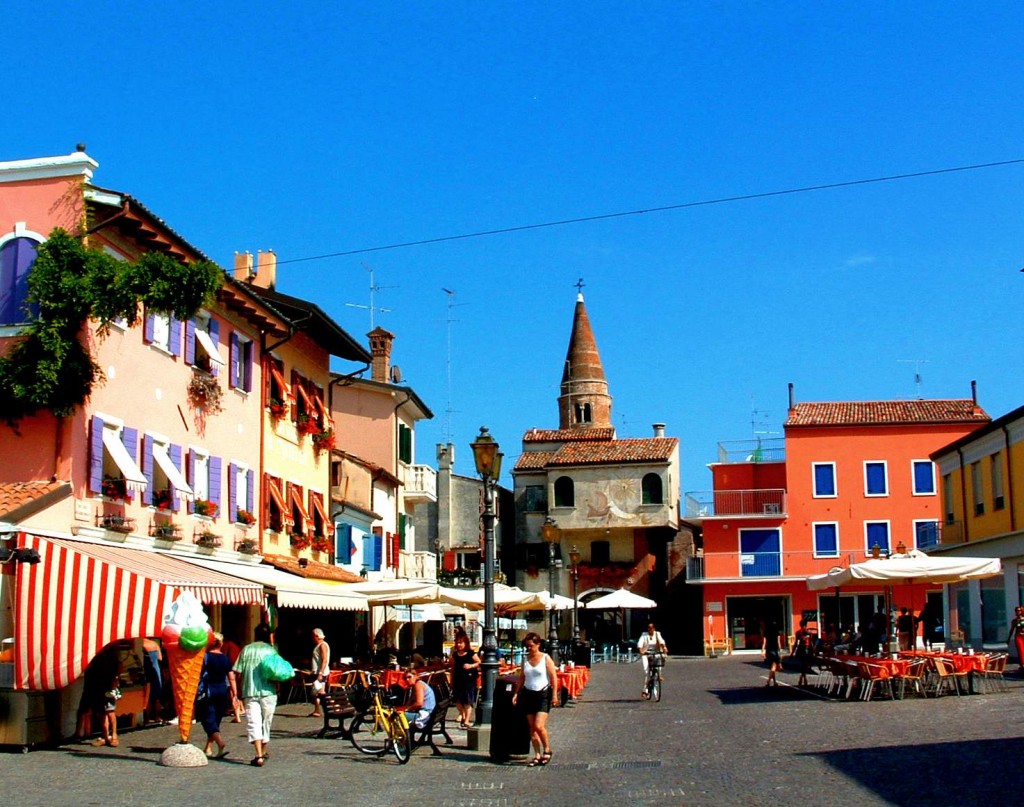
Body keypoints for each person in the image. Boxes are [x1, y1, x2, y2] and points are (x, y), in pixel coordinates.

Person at [232, 622, 278, 767]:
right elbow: (277, 672)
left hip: (249, 691)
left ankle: (258, 755)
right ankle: (263, 751)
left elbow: (237, 671)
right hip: (268, 691)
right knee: (266, 722)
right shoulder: (271, 651)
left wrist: (237, 692)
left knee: (254, 723)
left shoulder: (246, 650)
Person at [512, 632, 558, 767]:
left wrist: (554, 694)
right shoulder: (525, 659)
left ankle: (547, 749)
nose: (529, 648)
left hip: (542, 694)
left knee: (539, 725)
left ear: (538, 645)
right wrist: (516, 693)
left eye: (531, 646)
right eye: (527, 646)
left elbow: (554, 677)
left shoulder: (545, 658)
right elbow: (522, 677)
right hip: (527, 693)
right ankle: (537, 754)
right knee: (532, 729)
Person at [200, 633, 235, 759]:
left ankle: (220, 744)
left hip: (208, 690)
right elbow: (231, 678)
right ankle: (208, 748)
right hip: (222, 691)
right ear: (221, 644)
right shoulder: (225, 658)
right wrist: (235, 694)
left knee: (207, 719)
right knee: (216, 720)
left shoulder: (205, 657)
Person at [450, 629, 480, 729]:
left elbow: (479, 662)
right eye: (457, 642)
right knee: (457, 702)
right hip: (458, 681)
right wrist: (451, 680)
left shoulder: (471, 653)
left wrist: (471, 666)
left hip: (469, 681)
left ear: (465, 643)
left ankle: (466, 720)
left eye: (461, 642)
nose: (459, 645)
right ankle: (463, 715)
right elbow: (453, 668)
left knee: (467, 701)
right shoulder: (455, 655)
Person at [637, 623, 668, 698]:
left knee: (659, 663)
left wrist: (664, 648)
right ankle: (645, 690)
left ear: (654, 629)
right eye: (648, 628)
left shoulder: (657, 634)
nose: (649, 630)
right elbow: (640, 644)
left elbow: (662, 642)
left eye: (651, 628)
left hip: (656, 653)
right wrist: (641, 650)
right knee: (647, 672)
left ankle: (658, 675)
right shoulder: (644, 635)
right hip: (646, 654)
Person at [308, 628, 331, 718]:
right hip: (317, 672)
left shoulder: (322, 645)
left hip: (320, 673)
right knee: (317, 692)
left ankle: (335, 705)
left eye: (313, 636)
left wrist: (320, 673)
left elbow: (324, 660)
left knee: (321, 691)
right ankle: (317, 709)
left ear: (317, 636)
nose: (312, 638)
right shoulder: (319, 645)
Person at [141, 637, 164, 725]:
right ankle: (157, 716)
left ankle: (146, 717)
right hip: (156, 670)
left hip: (146, 670)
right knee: (157, 695)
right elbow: (160, 658)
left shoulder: (141, 644)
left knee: (147, 695)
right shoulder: (154, 644)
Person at [100, 674, 122, 747]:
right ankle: (106, 735)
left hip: (109, 691)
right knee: (104, 714)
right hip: (102, 688)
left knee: (110, 713)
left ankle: (114, 734)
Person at [792, 619, 815, 686]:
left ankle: (802, 676)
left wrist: (813, 650)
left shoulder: (808, 632)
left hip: (806, 648)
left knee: (805, 664)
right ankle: (804, 678)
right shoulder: (799, 632)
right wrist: (792, 652)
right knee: (803, 663)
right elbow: (796, 643)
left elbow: (811, 642)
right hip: (803, 649)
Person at [761, 622, 782, 686]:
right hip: (775, 650)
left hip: (769, 650)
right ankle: (768, 681)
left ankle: (775, 682)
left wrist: (762, 651)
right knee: (774, 667)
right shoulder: (777, 632)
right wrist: (780, 650)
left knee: (772, 666)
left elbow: (764, 642)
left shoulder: (766, 632)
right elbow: (778, 642)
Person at [1006, 605, 1024, 672]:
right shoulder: (1015, 621)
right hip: (1019, 636)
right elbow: (1011, 630)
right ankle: (1022, 664)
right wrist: (1008, 639)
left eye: (1019, 610)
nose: (1018, 612)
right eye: (1016, 611)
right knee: (1021, 651)